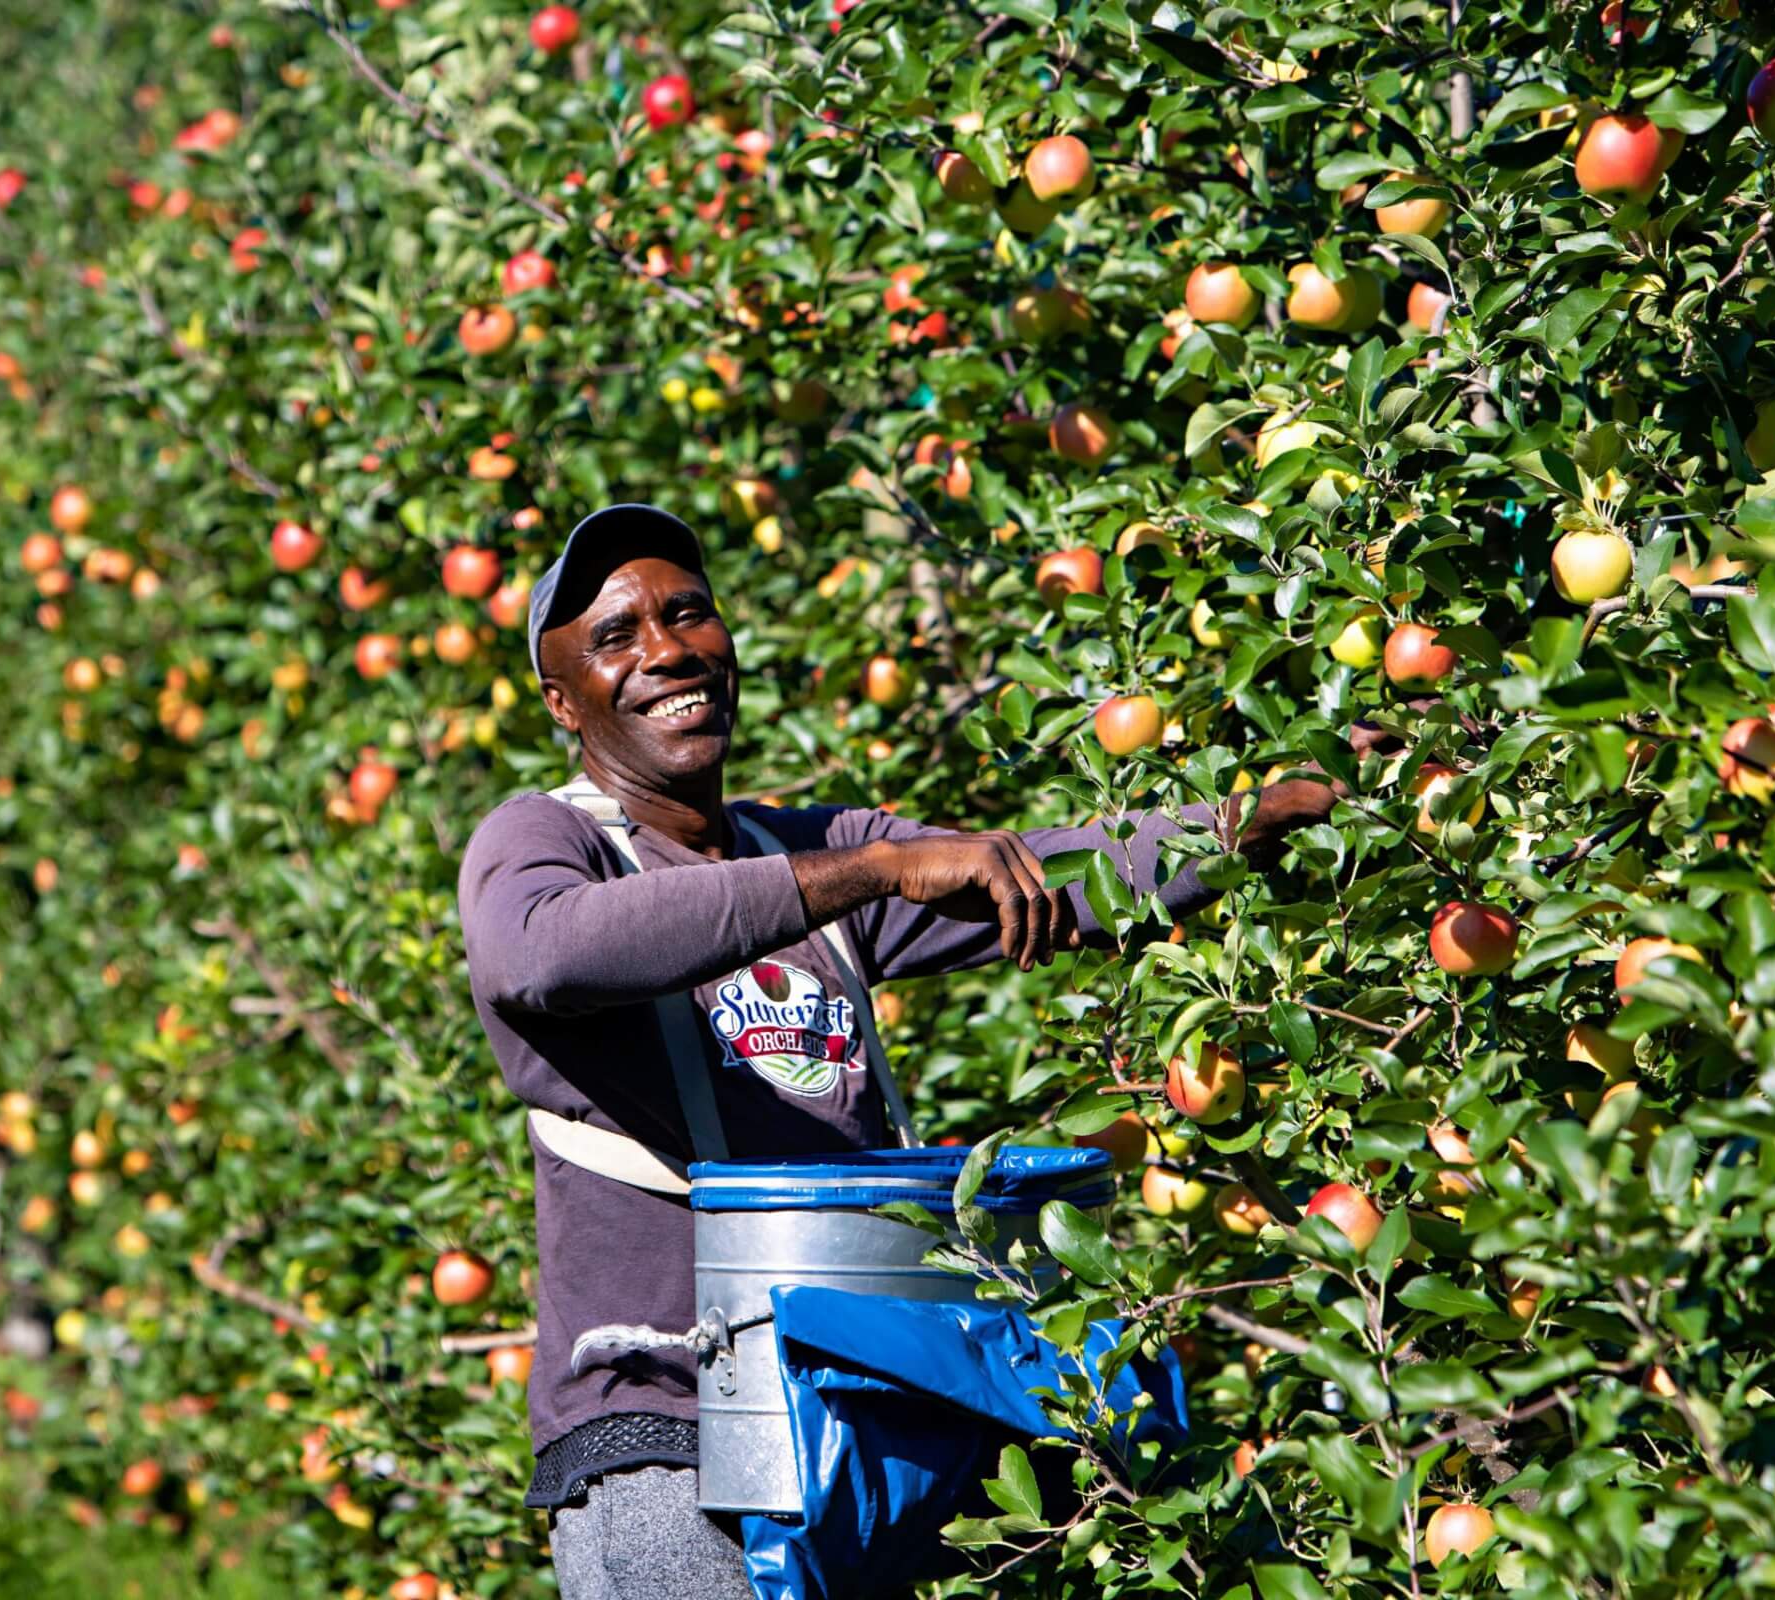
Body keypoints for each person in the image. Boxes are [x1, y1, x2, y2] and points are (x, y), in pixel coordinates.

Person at [456, 504, 1335, 1600]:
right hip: (668, 1430)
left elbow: (1051, 872)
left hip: (863, 1417)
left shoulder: (799, 846)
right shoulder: (551, 838)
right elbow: (534, 955)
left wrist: (1265, 816)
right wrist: (874, 869)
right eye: (617, 637)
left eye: (689, 614)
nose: (669, 649)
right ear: (563, 701)